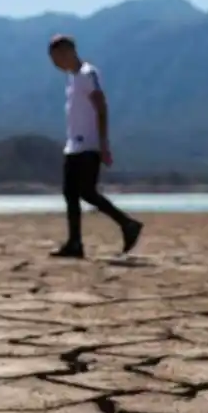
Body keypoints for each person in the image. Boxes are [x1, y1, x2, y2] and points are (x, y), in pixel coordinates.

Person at [47, 34, 143, 259]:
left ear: (68, 52)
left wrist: (103, 142)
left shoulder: (87, 74)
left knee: (86, 192)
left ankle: (127, 223)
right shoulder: (72, 79)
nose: (55, 64)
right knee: (71, 194)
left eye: (56, 58)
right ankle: (75, 243)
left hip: (88, 144)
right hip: (73, 145)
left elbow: (101, 106)